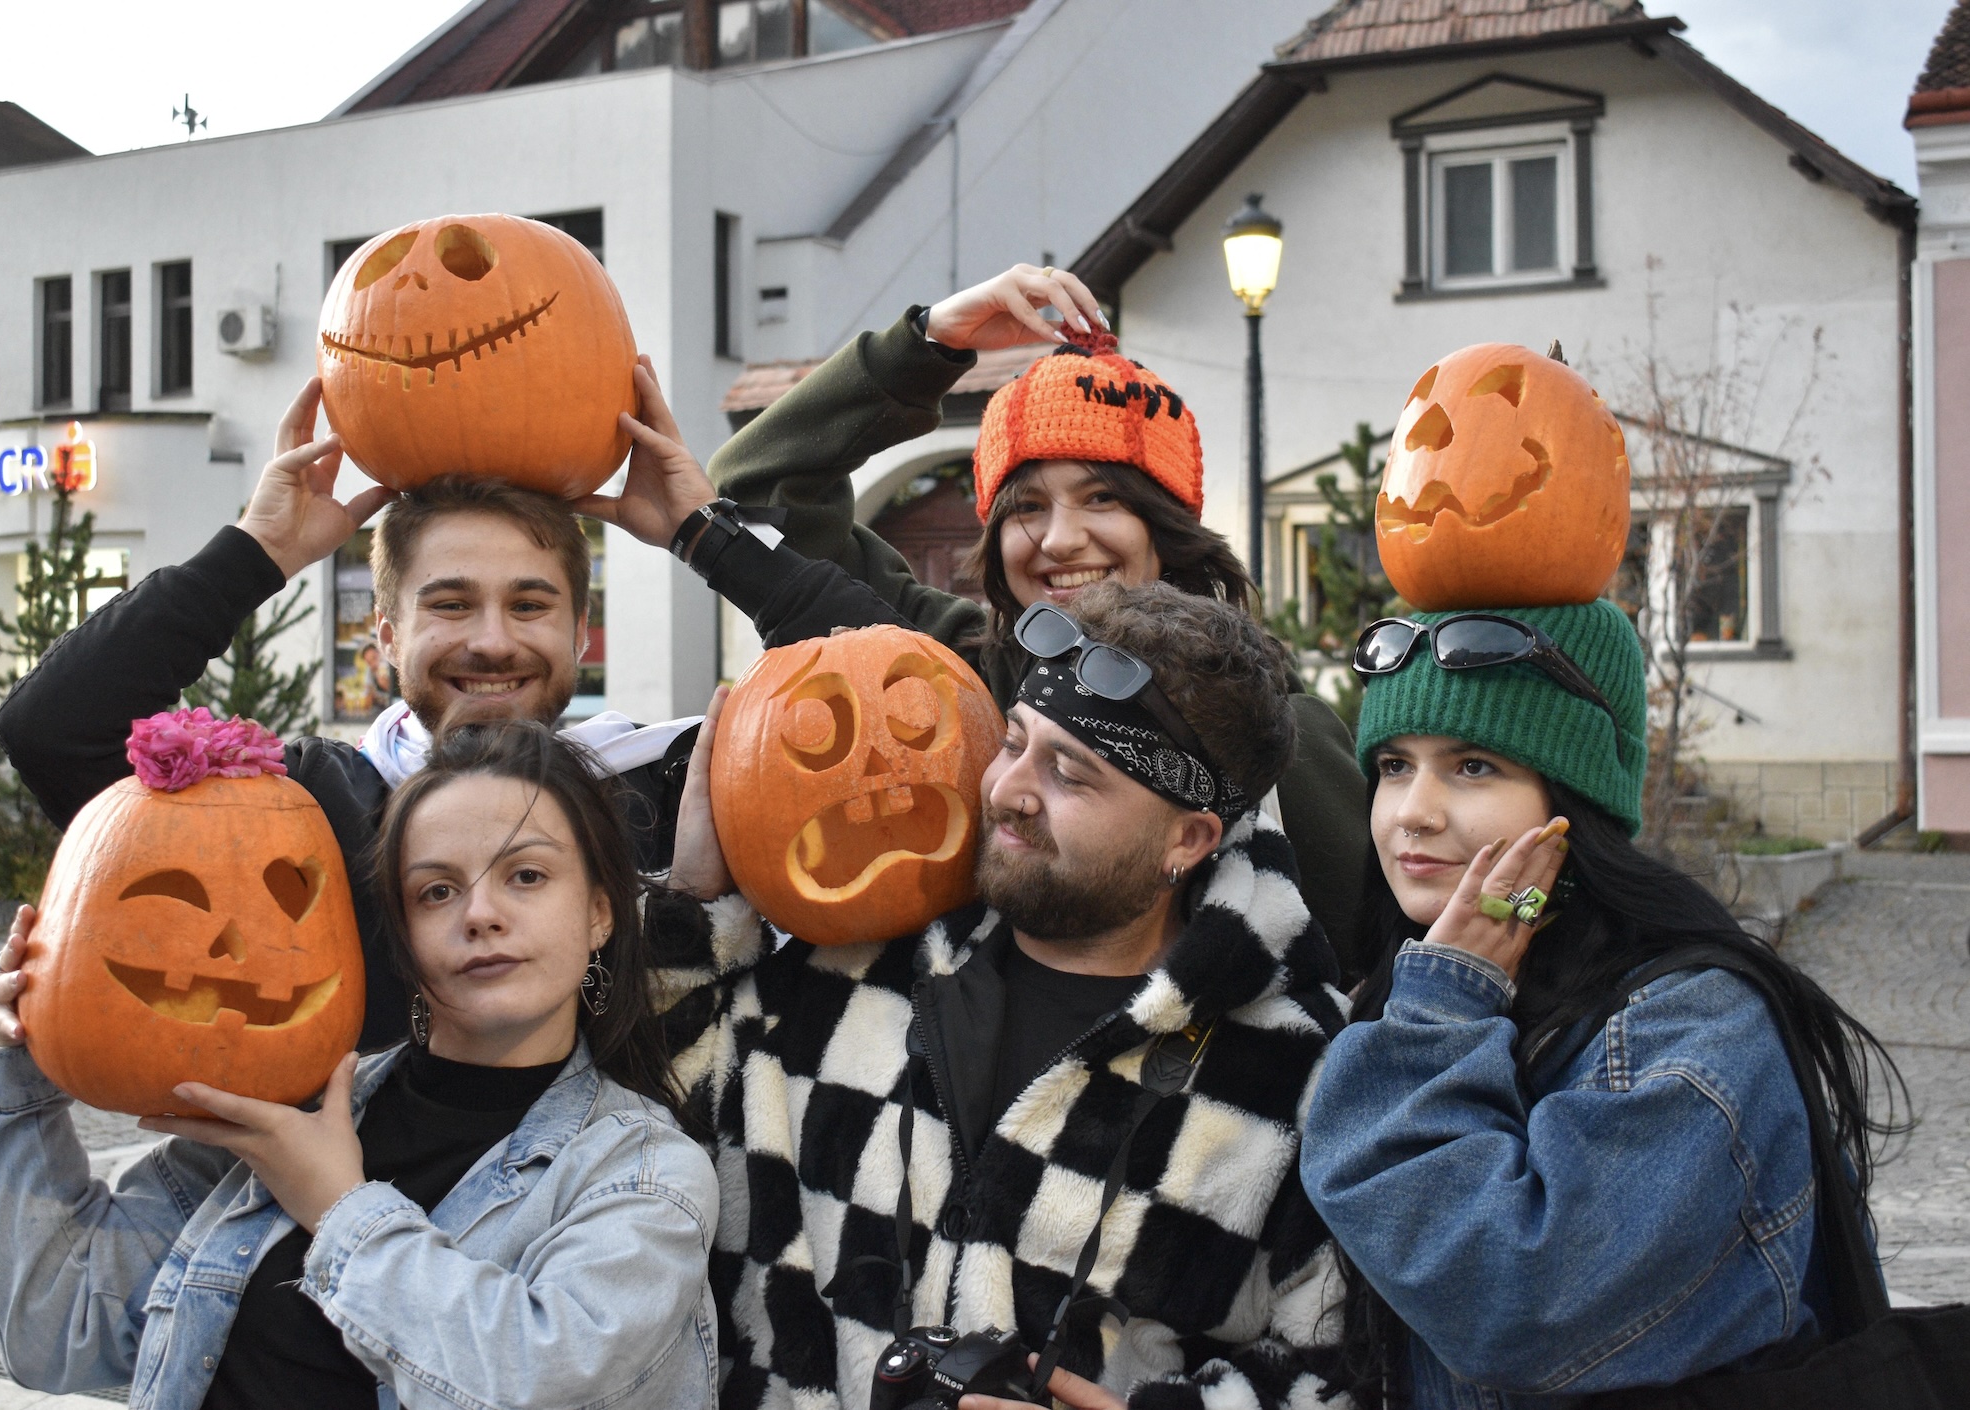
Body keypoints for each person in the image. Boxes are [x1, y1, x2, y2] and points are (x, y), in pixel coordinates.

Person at [651, 581, 1350, 1410]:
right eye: (1014, 742)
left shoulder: (1300, 1069)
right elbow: (638, 1119)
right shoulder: (834, 981)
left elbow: (1332, 1365)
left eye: (1069, 774)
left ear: (1186, 838)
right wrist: (688, 908)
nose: (1006, 791)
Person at [585, 265, 1373, 968]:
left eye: (1103, 499)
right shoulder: (938, 668)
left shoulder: (1278, 739)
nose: (1062, 540)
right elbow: (761, 479)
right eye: (1026, 507)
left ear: (1168, 529)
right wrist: (930, 342)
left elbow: (1363, 960)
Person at [0, 722, 718, 1410]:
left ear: (597, 910)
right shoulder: (283, 1111)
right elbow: (59, 1330)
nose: (480, 914)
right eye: (437, 890)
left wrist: (337, 1208)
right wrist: (22, 1068)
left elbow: (537, 1380)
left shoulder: (641, 1173)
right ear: (401, 936)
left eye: (526, 875)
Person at [1295, 602, 1904, 1407]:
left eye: (1473, 765)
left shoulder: (1686, 1029)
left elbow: (1516, 1303)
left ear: (1574, 804)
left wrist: (1443, 1005)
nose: (1412, 811)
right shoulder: (1404, 986)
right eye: (1395, 766)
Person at [0, 374, 702, 1046]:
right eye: (451, 604)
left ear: (579, 632)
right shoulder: (300, 808)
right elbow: (56, 728)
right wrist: (257, 552)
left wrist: (705, 534)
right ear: (387, 636)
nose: (492, 642)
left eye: (529, 605)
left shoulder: (669, 791)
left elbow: (811, 729)